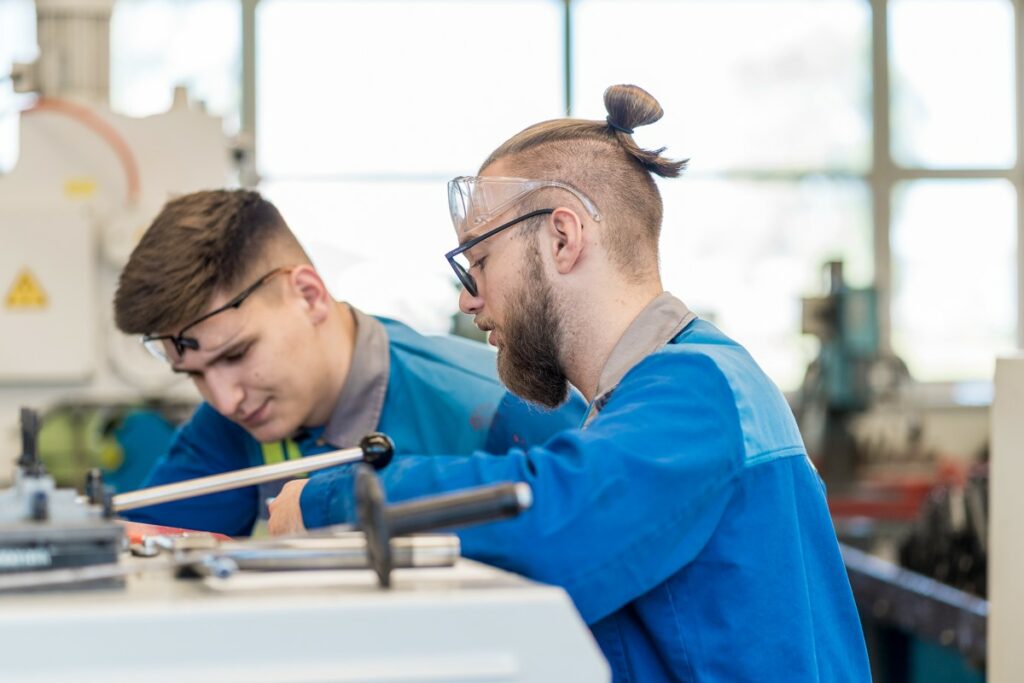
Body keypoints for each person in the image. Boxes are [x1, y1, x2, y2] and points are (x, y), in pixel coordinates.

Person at [268, 85, 871, 680]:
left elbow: (549, 520)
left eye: (478, 262)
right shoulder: (653, 395)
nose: (468, 297)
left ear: (562, 237)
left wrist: (334, 500)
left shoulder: (699, 389)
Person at [112, 189, 586, 536]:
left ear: (309, 295)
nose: (224, 397)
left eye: (237, 354)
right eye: (193, 374)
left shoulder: (507, 411)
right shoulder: (233, 422)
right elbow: (140, 544)